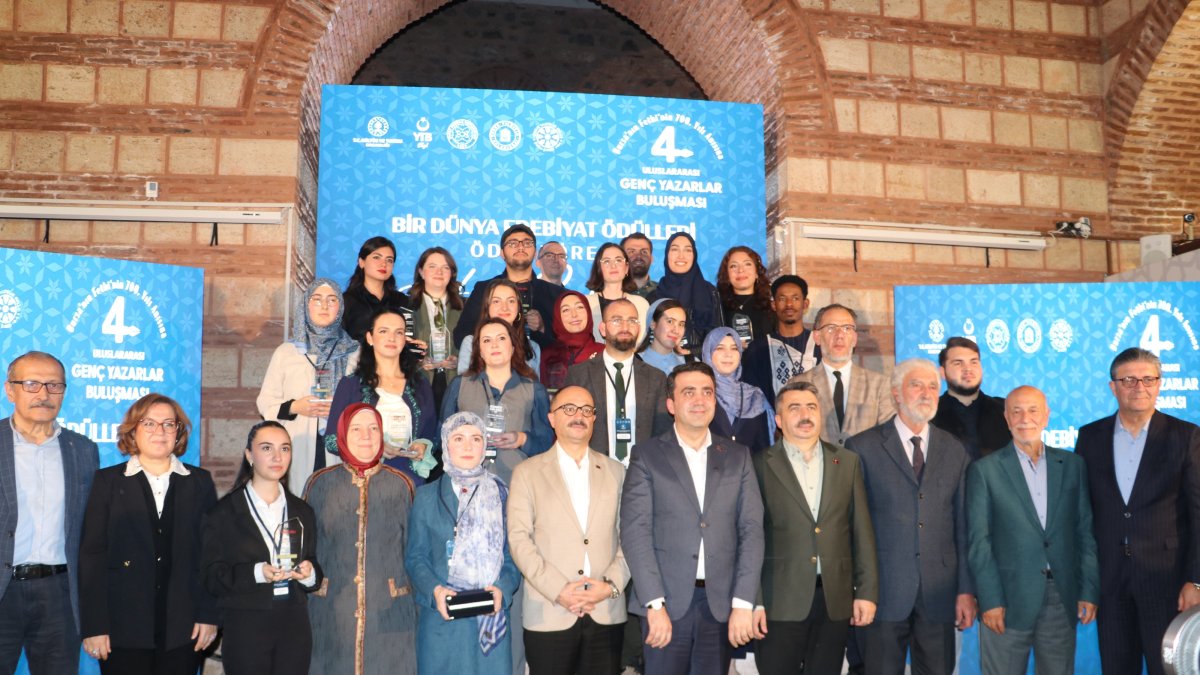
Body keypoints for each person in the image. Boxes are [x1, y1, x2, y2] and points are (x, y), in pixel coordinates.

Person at [620, 362, 765, 675]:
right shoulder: (646, 455)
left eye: (707, 392)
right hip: (666, 607)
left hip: (721, 606)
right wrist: (654, 605)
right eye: (689, 392)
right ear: (671, 404)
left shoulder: (738, 456)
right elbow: (635, 533)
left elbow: (751, 530)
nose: (700, 400)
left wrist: (743, 603)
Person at [846, 358, 975, 675]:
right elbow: (851, 529)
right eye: (917, 385)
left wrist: (965, 590)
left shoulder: (954, 450)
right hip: (883, 594)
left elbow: (963, 527)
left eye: (933, 386)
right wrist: (859, 590)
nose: (927, 393)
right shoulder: (862, 447)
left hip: (939, 594)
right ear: (896, 393)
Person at [1075, 347, 1200, 675]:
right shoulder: (1089, 437)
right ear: (1112, 387)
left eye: (1148, 379)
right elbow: (1082, 515)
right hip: (1110, 581)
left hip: (1168, 584)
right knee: (1116, 668)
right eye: (1128, 379)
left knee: (1168, 669)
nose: (1139, 386)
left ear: (1160, 384)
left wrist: (1196, 581)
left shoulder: (1186, 436)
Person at [79, 394, 218, 674]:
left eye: (169, 424)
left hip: (184, 628)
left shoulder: (200, 482)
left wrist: (209, 615)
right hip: (122, 628)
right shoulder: (107, 482)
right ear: (134, 429)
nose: (160, 431)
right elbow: (92, 556)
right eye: (150, 423)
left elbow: (212, 556)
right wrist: (94, 626)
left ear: (178, 431)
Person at [967, 385, 1099, 675]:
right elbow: (979, 542)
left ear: (1046, 416)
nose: (1024, 418)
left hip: (1061, 598)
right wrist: (989, 600)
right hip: (1006, 601)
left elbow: (1085, 532)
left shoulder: (1073, 466)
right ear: (1006, 417)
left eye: (1032, 410)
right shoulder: (984, 471)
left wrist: (1089, 589)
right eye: (1016, 411)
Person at [752, 380, 878, 675]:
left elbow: (861, 531)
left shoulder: (847, 462)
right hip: (779, 602)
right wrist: (754, 602)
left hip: (834, 601)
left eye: (811, 407)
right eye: (794, 408)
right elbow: (750, 538)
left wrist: (867, 593)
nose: (805, 415)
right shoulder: (758, 464)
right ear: (780, 420)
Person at [507, 386, 629, 675]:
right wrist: (558, 590)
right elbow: (518, 538)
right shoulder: (527, 472)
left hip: (605, 612)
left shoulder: (616, 472)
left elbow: (631, 537)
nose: (579, 416)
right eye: (569, 409)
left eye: (587, 410)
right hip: (549, 612)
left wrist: (610, 586)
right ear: (551, 418)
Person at [0, 351, 99, 674]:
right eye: (31, 384)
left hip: (58, 595)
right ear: (10, 390)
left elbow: (90, 529)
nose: (43, 394)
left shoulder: (83, 450)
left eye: (54, 386)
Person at [200, 421, 321, 675]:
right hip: (246, 626)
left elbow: (313, 568)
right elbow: (212, 578)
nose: (277, 457)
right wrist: (256, 572)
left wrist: (309, 574)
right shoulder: (222, 513)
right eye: (267, 448)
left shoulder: (303, 511)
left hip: (294, 626)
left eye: (285, 449)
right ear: (249, 455)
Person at [305, 403, 418, 675]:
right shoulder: (319, 483)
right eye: (356, 429)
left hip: (390, 611)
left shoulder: (402, 484)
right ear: (343, 434)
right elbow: (306, 549)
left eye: (373, 428)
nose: (366, 436)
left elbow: (414, 552)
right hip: (332, 611)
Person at [406, 411, 521, 675]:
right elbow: (416, 557)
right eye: (458, 438)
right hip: (442, 621)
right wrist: (434, 590)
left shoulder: (503, 494)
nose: (468, 446)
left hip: (490, 619)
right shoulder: (425, 496)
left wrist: (502, 589)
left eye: (476, 438)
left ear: (485, 446)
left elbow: (513, 554)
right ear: (446, 444)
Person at [257, 278, 358, 488]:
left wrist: (341, 408)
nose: (324, 306)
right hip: (297, 444)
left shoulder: (354, 352)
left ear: (340, 307)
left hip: (341, 446)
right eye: (317, 299)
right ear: (306, 305)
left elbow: (364, 402)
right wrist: (296, 406)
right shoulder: (287, 352)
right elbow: (265, 404)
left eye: (332, 300)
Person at [326, 308, 438, 485]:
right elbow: (332, 440)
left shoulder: (421, 384)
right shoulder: (350, 385)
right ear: (370, 338)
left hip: (410, 480)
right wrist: (374, 447)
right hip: (362, 480)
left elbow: (432, 432)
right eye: (383, 331)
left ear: (404, 339)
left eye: (398, 332)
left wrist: (423, 445)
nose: (391, 338)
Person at [442, 318, 554, 485]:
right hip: (467, 484)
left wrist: (522, 439)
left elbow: (546, 443)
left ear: (513, 346)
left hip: (519, 485)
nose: (494, 345)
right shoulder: (460, 385)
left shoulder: (534, 389)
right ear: (479, 350)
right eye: (486, 340)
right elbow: (442, 433)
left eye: (501, 338)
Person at [564, 298, 672, 466]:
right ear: (603, 329)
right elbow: (568, 429)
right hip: (593, 471)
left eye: (632, 321)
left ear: (638, 328)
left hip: (642, 472)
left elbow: (663, 434)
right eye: (616, 320)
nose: (625, 326)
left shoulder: (656, 378)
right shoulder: (579, 374)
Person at [454, 224, 566, 350]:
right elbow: (461, 338)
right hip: (494, 367)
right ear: (502, 253)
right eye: (513, 243)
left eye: (527, 243)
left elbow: (568, 343)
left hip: (543, 367)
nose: (520, 247)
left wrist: (542, 328)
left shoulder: (557, 294)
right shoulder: (484, 289)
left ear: (535, 253)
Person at [796, 304, 894, 446]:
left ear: (854, 338)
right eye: (831, 328)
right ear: (817, 337)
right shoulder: (799, 384)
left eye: (847, 328)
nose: (840, 335)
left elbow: (888, 437)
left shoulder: (880, 385)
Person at [741, 275, 820, 408]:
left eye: (795, 298)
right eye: (782, 299)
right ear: (774, 305)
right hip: (773, 426)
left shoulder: (820, 345)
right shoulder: (758, 349)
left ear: (805, 304)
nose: (789, 304)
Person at [930, 337, 1010, 461]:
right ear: (942, 372)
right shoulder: (929, 415)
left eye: (974, 362)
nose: (968, 369)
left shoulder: (1005, 410)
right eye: (958, 363)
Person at [700, 327, 775, 453]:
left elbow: (764, 448)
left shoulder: (754, 396)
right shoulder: (698, 395)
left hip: (748, 471)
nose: (728, 354)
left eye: (734, 348)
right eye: (720, 348)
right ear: (708, 352)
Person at [409, 247, 465, 409]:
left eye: (445, 267)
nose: (439, 272)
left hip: (454, 381)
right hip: (418, 381)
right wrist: (416, 361)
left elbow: (475, 345)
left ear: (452, 273)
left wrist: (460, 360)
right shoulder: (406, 307)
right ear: (421, 271)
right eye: (432, 266)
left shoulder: (465, 307)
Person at [459, 279, 543, 376]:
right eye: (496, 301)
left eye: (511, 301)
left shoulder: (533, 348)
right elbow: (465, 387)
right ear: (487, 306)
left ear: (519, 307)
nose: (504, 307)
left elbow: (535, 389)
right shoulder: (471, 343)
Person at [655, 232, 722, 348]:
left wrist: (692, 354)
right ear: (667, 255)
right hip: (661, 363)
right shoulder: (655, 295)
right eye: (675, 249)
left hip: (700, 363)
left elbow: (719, 337)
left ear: (694, 256)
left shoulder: (710, 292)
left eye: (688, 250)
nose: (681, 256)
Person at [341, 236, 413, 341]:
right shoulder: (346, 301)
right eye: (376, 257)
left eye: (389, 260)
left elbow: (408, 338)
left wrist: (415, 347)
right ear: (362, 262)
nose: (383, 264)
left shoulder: (403, 301)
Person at [584, 242, 650, 345]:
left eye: (618, 260)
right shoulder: (585, 303)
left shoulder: (641, 305)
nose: (613, 266)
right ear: (599, 268)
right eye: (606, 261)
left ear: (627, 268)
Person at [539, 291, 604, 392]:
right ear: (557, 317)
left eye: (580, 307)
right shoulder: (547, 355)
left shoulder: (603, 352)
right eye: (565, 310)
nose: (574, 315)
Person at [716, 246, 774, 346]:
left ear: (757, 273)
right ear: (726, 274)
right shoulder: (716, 308)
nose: (741, 270)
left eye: (747, 264)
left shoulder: (771, 307)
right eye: (734, 266)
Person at [637, 298, 689, 376]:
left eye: (681, 324)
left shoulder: (690, 363)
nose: (676, 330)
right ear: (653, 324)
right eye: (670, 321)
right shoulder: (633, 363)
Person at [620, 233, 658, 301]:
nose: (638, 256)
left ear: (652, 259)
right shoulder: (612, 292)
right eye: (631, 252)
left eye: (644, 252)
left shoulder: (662, 291)